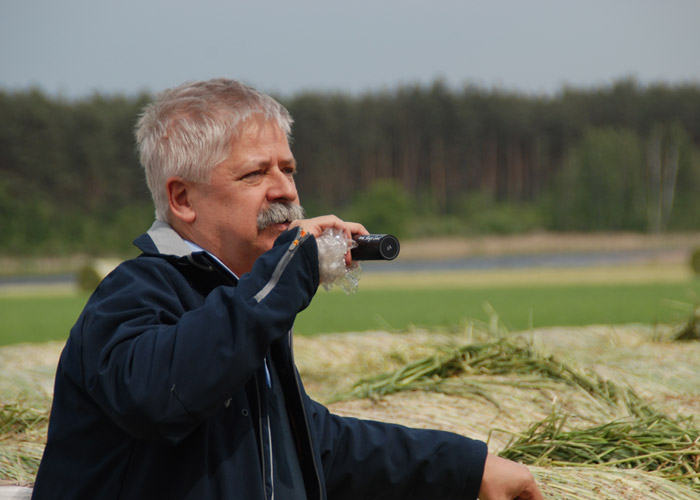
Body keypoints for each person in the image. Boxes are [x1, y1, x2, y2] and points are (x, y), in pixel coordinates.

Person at [32, 78, 543, 500]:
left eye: (289, 169)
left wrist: (467, 468)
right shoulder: (133, 294)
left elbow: (313, 446)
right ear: (183, 199)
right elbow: (160, 394)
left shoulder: (241, 301)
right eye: (256, 173)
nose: (286, 190)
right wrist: (287, 273)